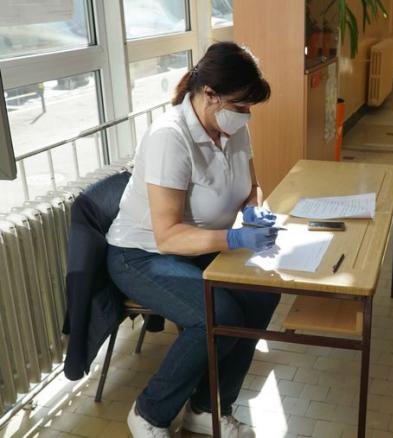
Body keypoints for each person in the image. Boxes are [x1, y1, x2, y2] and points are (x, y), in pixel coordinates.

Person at [106, 42, 279, 438]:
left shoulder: (233, 129)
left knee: (262, 294)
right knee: (217, 315)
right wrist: (237, 238)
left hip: (201, 245)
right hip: (143, 254)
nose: (245, 115)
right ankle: (150, 412)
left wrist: (255, 210)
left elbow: (252, 186)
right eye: (239, 106)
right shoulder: (170, 137)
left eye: (248, 108)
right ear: (209, 94)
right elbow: (167, 236)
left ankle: (208, 408)